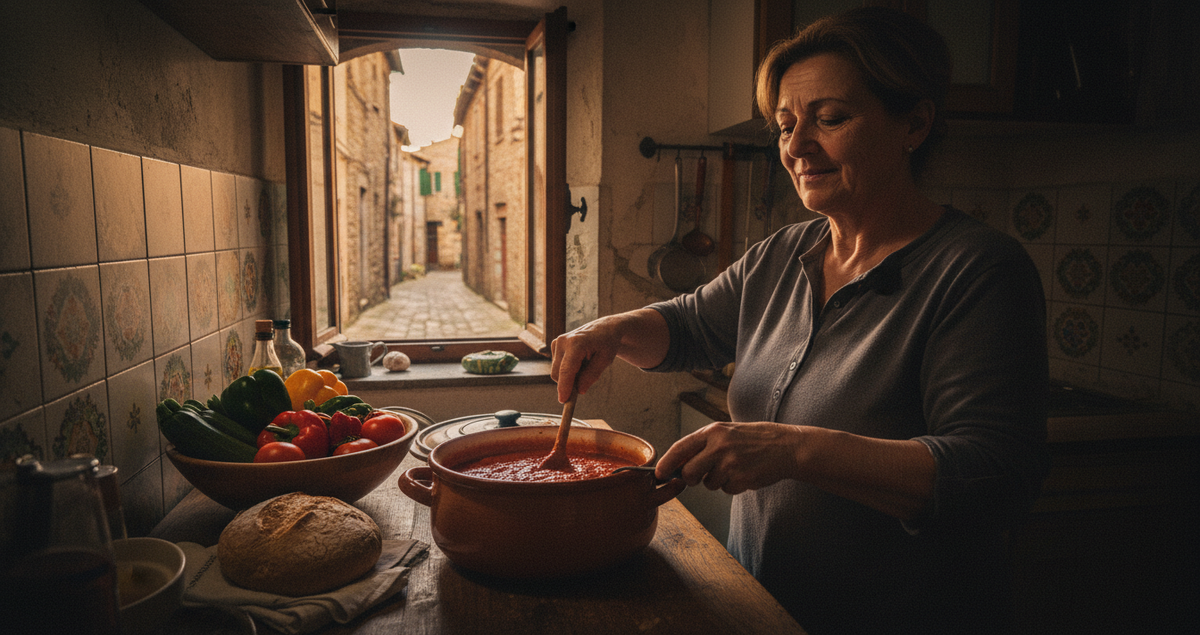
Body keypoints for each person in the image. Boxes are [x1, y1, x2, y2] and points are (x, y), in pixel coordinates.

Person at [550, 7, 1050, 635]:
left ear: (914, 124)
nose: (796, 145)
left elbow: (995, 476)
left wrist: (792, 449)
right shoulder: (785, 253)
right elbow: (687, 327)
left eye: (830, 119)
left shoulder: (977, 270)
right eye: (785, 125)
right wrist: (613, 329)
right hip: (766, 606)